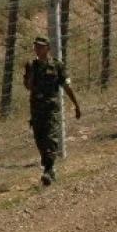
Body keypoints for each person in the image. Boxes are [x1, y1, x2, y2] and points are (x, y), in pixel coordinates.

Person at [23, 36, 80, 186]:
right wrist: (31, 77)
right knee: (39, 139)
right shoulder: (31, 66)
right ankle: (49, 168)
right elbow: (28, 87)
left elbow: (66, 86)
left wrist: (76, 104)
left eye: (41, 47)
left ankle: (48, 169)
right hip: (36, 109)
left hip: (51, 109)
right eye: (36, 47)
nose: (38, 49)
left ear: (48, 48)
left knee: (51, 138)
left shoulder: (57, 66)